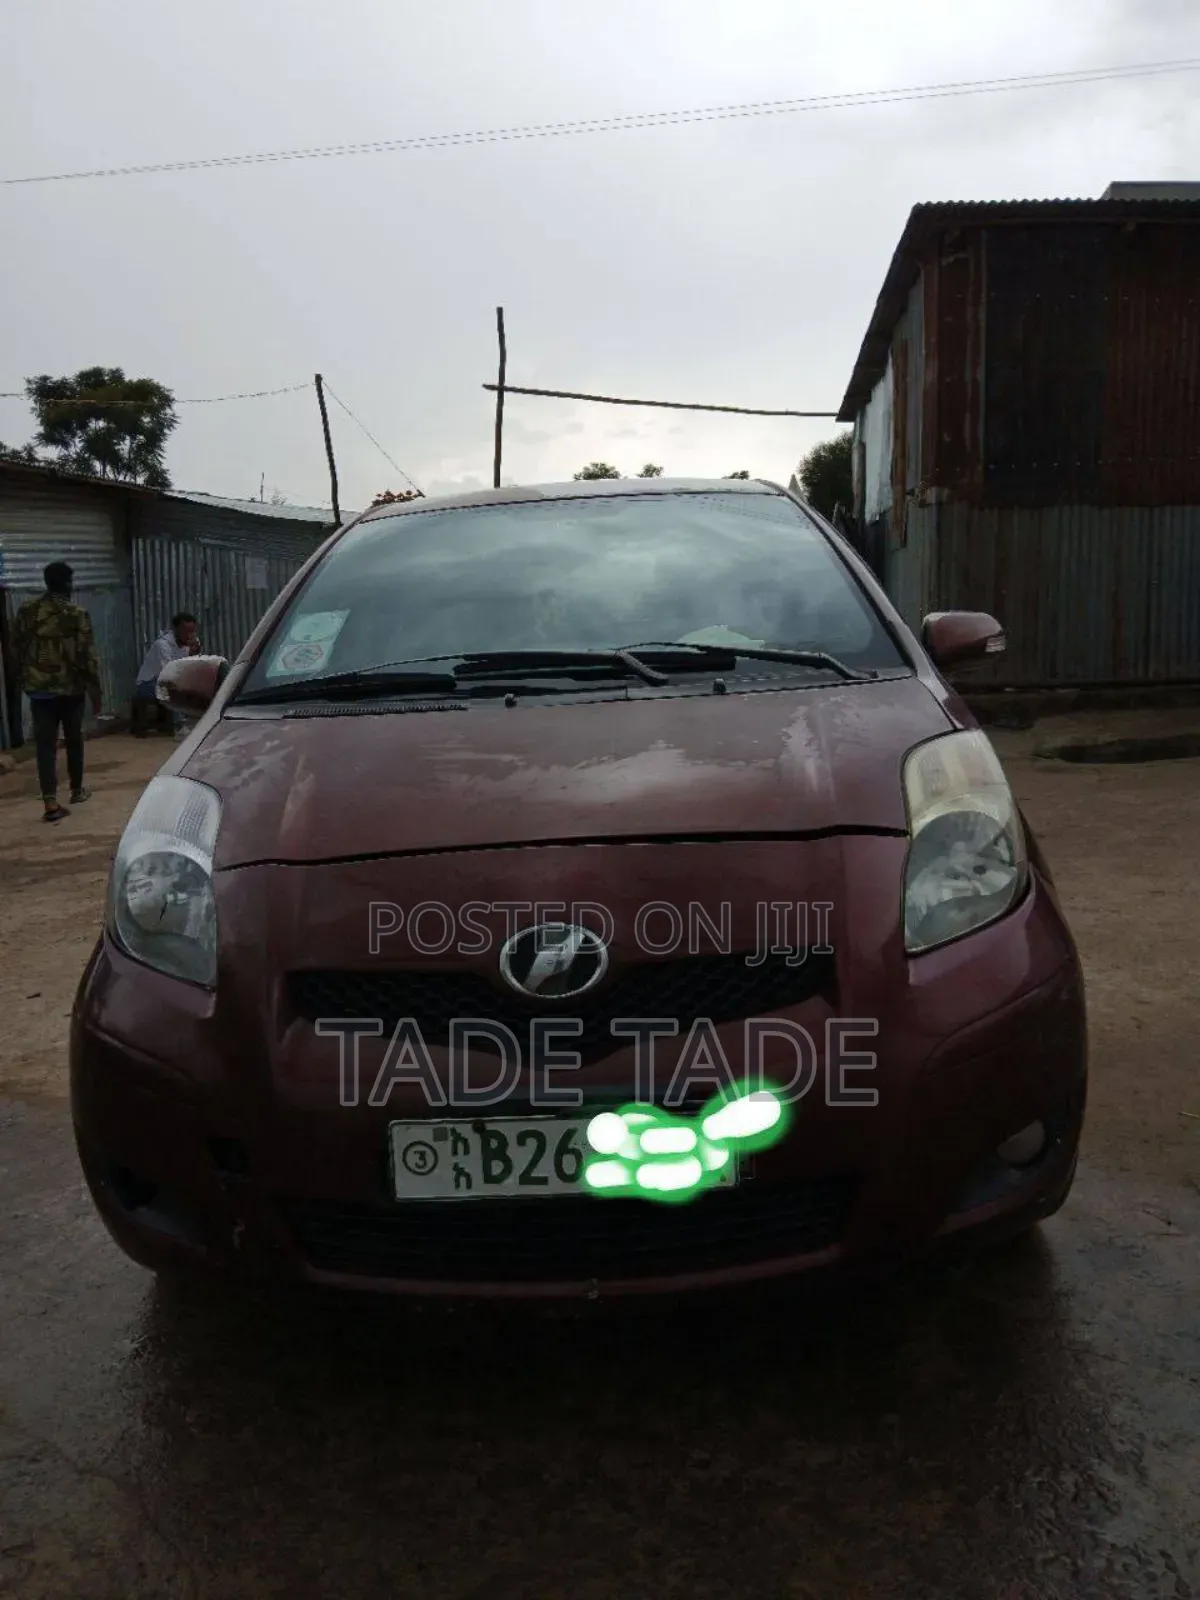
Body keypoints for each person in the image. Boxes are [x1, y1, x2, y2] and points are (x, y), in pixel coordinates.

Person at [12, 560, 103, 823]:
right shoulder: (76, 613)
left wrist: (24, 678)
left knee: (45, 746)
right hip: (70, 688)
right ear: (67, 584)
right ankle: (76, 790)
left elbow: (16, 647)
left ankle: (50, 802)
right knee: (74, 739)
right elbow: (87, 655)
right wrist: (95, 690)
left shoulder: (27, 611)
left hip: (39, 689)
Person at [132, 612, 200, 738]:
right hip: (148, 683)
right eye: (185, 631)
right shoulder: (162, 645)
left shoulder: (189, 645)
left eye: (192, 631)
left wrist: (194, 655)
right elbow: (167, 672)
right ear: (175, 630)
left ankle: (193, 722)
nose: (189, 635)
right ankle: (178, 726)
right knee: (173, 689)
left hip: (167, 680)